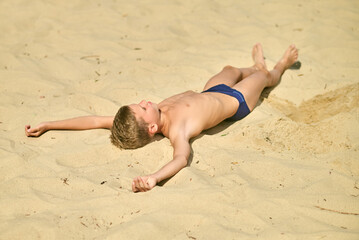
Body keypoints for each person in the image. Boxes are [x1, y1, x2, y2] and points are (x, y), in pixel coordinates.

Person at [25, 43, 299, 192]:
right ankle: (275, 67)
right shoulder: (178, 129)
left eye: (139, 103)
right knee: (262, 80)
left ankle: (252, 65)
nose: (145, 101)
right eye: (143, 107)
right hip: (234, 102)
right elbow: (180, 158)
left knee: (229, 68)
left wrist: (49, 124)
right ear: (153, 127)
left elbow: (95, 120)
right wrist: (154, 178)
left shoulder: (145, 119)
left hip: (211, 90)